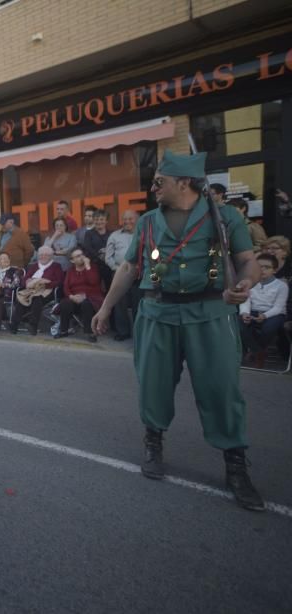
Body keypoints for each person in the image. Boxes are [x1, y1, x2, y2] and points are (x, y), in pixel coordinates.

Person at [92, 150, 264, 511]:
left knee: (221, 388)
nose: (153, 187)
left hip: (211, 314)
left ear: (183, 183)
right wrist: (106, 307)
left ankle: (235, 464)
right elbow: (128, 269)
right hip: (158, 312)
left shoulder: (226, 218)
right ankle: (153, 442)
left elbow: (248, 262)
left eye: (159, 181)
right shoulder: (148, 222)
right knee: (153, 383)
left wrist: (245, 284)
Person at [239, 253, 288, 368]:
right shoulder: (250, 283)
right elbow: (245, 300)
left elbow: (278, 307)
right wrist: (245, 312)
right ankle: (258, 352)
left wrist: (265, 316)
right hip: (253, 311)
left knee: (268, 329)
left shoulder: (281, 285)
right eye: (259, 266)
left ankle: (254, 352)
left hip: (274, 314)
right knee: (239, 324)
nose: (262, 270)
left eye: (267, 267)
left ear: (274, 270)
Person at [10, 245, 63, 336]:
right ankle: (14, 325)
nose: (43, 256)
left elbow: (59, 281)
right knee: (21, 300)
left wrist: (44, 283)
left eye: (46, 255)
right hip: (31, 289)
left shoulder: (56, 266)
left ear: (51, 256)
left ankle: (33, 326)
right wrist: (28, 282)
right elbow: (25, 279)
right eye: (41, 254)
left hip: (47, 290)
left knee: (36, 299)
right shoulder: (34, 266)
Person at [105, 209, 140, 340]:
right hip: (120, 274)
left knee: (139, 304)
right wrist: (118, 269)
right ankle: (123, 332)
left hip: (139, 275)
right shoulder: (114, 236)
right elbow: (108, 257)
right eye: (125, 219)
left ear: (137, 219)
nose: (127, 221)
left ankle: (139, 332)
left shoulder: (143, 234)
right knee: (120, 304)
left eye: (130, 219)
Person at [56, 248, 103, 342]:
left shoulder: (92, 267)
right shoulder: (70, 270)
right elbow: (66, 287)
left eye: (82, 254)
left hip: (91, 297)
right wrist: (71, 296)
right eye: (78, 256)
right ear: (72, 260)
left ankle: (90, 332)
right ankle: (63, 330)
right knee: (65, 303)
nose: (82, 257)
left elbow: (93, 281)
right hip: (75, 298)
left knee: (86, 303)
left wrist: (87, 265)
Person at [81, 209, 113, 288]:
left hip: (109, 265)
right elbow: (88, 248)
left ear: (106, 221)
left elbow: (114, 247)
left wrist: (106, 251)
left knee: (110, 287)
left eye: (101, 219)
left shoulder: (111, 234)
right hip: (94, 264)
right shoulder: (89, 233)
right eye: (96, 219)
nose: (99, 222)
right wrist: (100, 255)